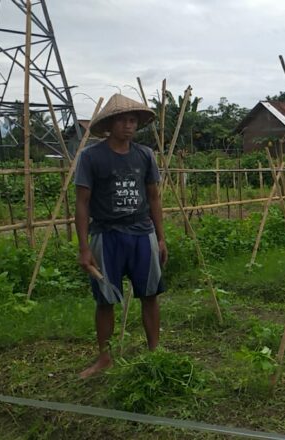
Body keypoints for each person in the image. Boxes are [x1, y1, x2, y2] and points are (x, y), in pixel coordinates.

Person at [74, 94, 167, 378]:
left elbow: (153, 198)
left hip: (142, 234)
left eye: (133, 121)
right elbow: (82, 202)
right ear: (110, 124)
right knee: (105, 300)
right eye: (123, 120)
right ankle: (105, 358)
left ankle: (155, 353)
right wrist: (83, 248)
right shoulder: (91, 157)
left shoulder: (145, 155)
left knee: (150, 295)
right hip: (106, 235)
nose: (129, 125)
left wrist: (161, 238)